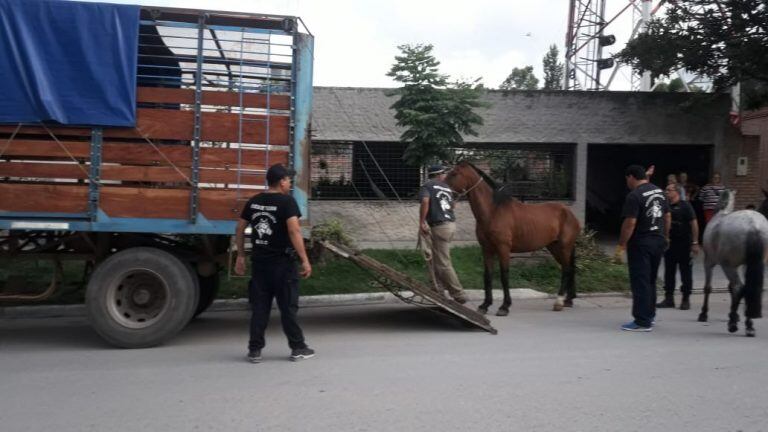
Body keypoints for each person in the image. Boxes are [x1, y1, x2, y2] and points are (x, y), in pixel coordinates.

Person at [235, 163, 315, 363]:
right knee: (288, 307)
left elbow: (240, 228)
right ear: (281, 182)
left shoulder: (254, 202)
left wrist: (241, 255)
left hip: (260, 264)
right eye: (288, 180)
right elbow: (294, 231)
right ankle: (298, 348)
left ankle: (255, 351)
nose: (289, 183)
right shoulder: (287, 202)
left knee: (260, 308)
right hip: (282, 265)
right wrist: (305, 259)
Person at [615, 165, 670, 332]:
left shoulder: (634, 196)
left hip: (641, 244)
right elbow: (667, 216)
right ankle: (650, 315)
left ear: (631, 177)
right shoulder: (659, 192)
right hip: (658, 241)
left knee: (640, 281)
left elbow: (630, 223)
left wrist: (622, 245)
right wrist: (666, 236)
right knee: (651, 280)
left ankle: (642, 321)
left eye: (627, 179)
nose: (627, 183)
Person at [418, 164, 468, 304]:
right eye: (444, 173)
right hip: (450, 226)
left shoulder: (427, 186)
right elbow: (451, 207)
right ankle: (437, 289)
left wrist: (422, 222)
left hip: (439, 227)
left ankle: (459, 294)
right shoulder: (446, 188)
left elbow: (425, 201)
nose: (445, 176)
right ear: (439, 175)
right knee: (435, 259)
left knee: (443, 263)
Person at [657, 183, 699, 310]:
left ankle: (685, 299)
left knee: (686, 272)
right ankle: (669, 298)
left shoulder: (686, 205)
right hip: (669, 245)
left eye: (669, 190)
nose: (666, 192)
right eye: (666, 190)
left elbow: (694, 224)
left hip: (684, 244)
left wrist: (695, 242)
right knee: (669, 272)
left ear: (677, 192)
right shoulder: (665, 206)